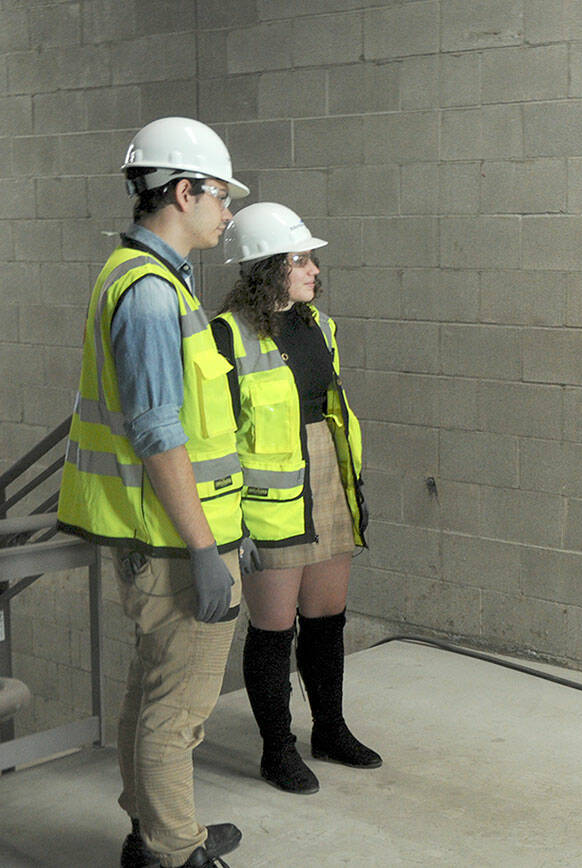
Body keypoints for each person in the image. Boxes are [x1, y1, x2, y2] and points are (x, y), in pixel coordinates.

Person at [56, 117, 251, 868]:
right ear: (182, 191)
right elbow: (158, 433)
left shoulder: (148, 278)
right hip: (176, 544)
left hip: (169, 535)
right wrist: (206, 551)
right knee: (179, 711)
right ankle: (177, 851)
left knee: (152, 690)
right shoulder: (148, 294)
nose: (226, 212)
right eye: (219, 196)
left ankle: (153, 832)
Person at [211, 202, 377, 797]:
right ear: (265, 267)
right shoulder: (227, 333)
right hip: (268, 499)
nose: (313, 269)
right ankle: (276, 749)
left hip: (327, 476)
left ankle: (329, 730)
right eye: (300, 259)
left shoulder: (321, 325)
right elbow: (218, 435)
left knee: (327, 617)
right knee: (274, 627)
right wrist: (231, 523)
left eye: (310, 259)